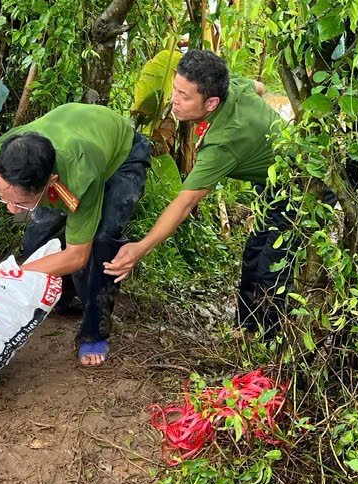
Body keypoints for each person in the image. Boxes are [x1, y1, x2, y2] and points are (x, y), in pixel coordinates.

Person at [105, 49, 294, 339]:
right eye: (175, 89)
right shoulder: (234, 88)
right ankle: (244, 332)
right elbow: (260, 87)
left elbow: (186, 202)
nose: (173, 100)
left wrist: (140, 248)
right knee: (254, 254)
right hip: (271, 185)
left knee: (272, 268)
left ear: (212, 102)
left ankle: (270, 345)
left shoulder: (224, 143)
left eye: (184, 96)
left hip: (300, 187)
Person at [0, 105, 151, 367]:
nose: (11, 209)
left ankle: (94, 331)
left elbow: (77, 254)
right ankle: (66, 297)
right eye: (3, 197)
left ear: (51, 182)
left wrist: (9, 277)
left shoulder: (80, 176)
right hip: (71, 136)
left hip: (120, 156)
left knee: (102, 241)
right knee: (37, 240)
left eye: (21, 203)